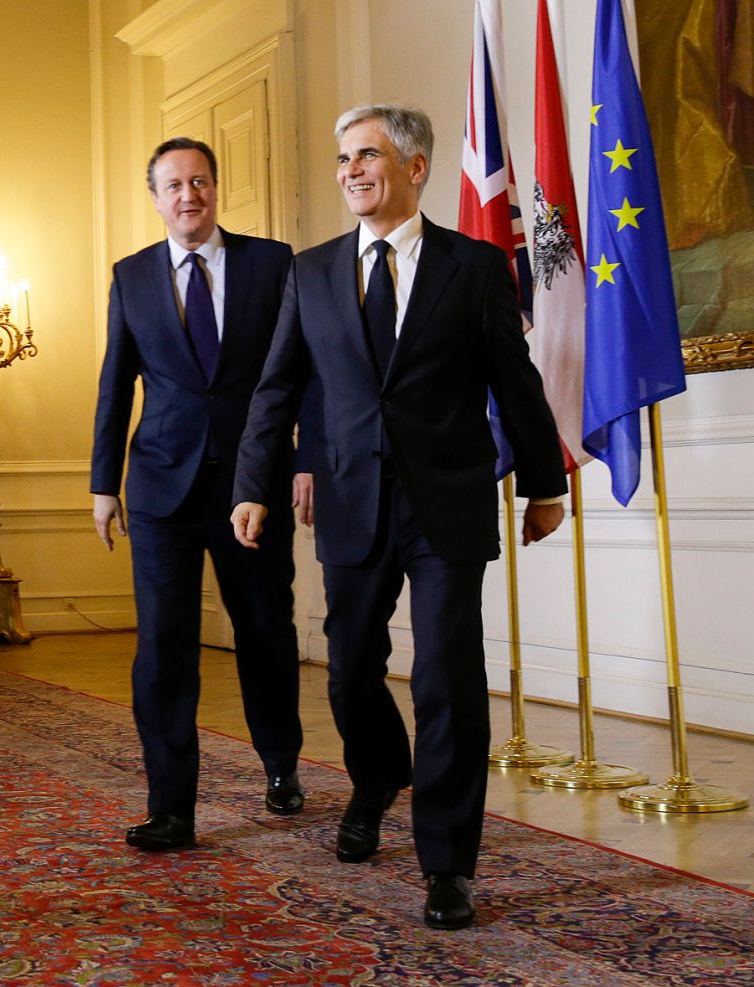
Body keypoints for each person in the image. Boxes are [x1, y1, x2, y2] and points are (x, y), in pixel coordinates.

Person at [231, 104, 566, 931]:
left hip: (446, 501)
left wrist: (542, 481)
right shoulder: (310, 273)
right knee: (349, 672)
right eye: (344, 157)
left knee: (446, 676)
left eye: (367, 155)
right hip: (350, 499)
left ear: (415, 168)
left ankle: (447, 863)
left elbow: (513, 380)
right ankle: (378, 776)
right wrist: (253, 484)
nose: (350, 170)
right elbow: (276, 387)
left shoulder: (478, 267)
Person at [91, 137, 316, 854]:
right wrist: (103, 483)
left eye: (200, 181)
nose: (189, 195)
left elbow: (305, 371)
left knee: (266, 634)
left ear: (216, 189)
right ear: (155, 197)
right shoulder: (130, 277)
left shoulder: (271, 262)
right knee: (162, 646)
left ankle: (281, 765)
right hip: (160, 486)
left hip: (253, 486)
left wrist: (307, 458)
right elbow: (114, 382)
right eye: (174, 185)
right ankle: (171, 806)